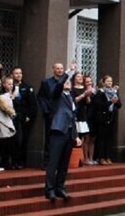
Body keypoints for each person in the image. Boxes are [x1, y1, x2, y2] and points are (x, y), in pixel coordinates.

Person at [44, 62, 80, 201]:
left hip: (69, 133)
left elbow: (73, 117)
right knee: (53, 162)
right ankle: (49, 190)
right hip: (58, 131)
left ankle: (60, 187)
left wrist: (75, 135)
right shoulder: (56, 95)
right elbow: (58, 85)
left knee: (64, 164)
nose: (66, 83)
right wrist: (68, 72)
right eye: (65, 82)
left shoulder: (71, 98)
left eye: (68, 82)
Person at [37, 62, 67, 169]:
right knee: (49, 138)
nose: (60, 70)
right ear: (53, 69)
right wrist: (46, 110)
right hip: (51, 114)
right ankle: (47, 162)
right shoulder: (46, 82)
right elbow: (41, 97)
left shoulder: (66, 82)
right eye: (57, 68)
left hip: (63, 115)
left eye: (61, 68)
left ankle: (60, 162)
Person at [10, 67, 37, 169]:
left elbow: (32, 104)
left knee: (22, 140)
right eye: (16, 73)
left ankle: (21, 161)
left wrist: (29, 116)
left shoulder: (27, 87)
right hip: (12, 116)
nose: (19, 75)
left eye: (20, 73)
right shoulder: (10, 87)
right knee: (13, 140)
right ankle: (12, 161)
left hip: (24, 117)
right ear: (12, 75)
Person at [93, 75, 121, 165]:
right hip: (102, 118)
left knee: (110, 138)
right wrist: (110, 102)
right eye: (108, 81)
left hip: (111, 117)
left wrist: (116, 102)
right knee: (102, 138)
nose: (109, 83)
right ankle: (100, 157)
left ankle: (108, 156)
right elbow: (98, 105)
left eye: (111, 81)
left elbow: (119, 105)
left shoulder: (115, 92)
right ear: (104, 82)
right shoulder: (100, 92)